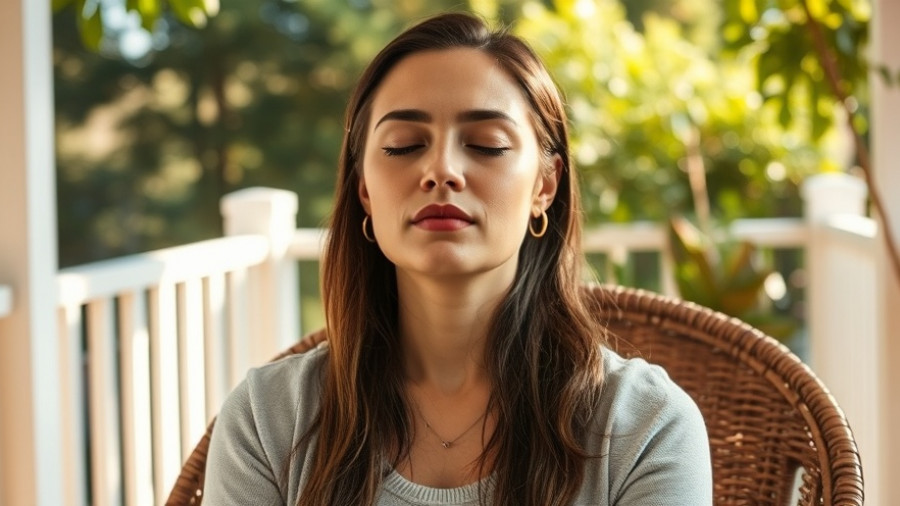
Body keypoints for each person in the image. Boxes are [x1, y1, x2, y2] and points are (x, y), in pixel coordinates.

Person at [204, 11, 712, 505]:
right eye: (403, 146)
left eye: (486, 145)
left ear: (545, 185)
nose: (441, 170)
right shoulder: (266, 420)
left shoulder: (645, 428)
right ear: (364, 191)